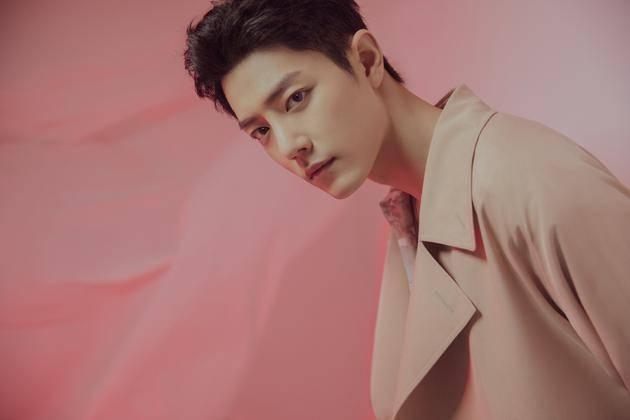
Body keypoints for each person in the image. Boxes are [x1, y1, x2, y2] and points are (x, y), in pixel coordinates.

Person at [182, 1, 630, 419]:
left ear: (367, 60)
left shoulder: (532, 182)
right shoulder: (411, 221)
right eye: (261, 131)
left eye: (296, 99)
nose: (288, 145)